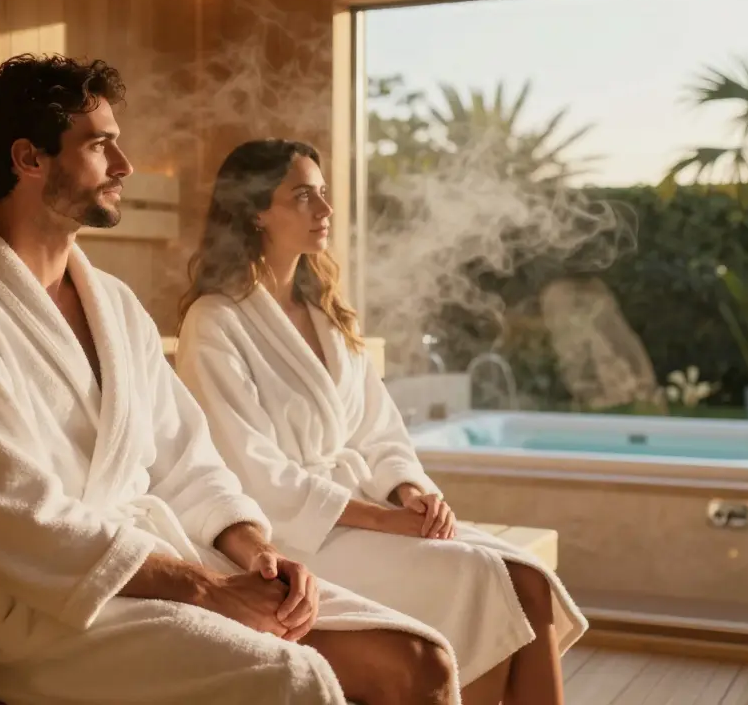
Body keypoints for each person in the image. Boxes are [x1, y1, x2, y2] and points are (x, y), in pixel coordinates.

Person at [0, 55, 464, 705]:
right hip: (49, 612)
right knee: (295, 677)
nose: (124, 165)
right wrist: (206, 588)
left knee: (421, 661)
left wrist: (255, 553)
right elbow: (19, 523)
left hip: (169, 562)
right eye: (100, 145)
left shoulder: (115, 306)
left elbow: (187, 460)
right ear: (29, 158)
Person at [173, 138, 590, 705]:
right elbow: (251, 470)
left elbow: (379, 430)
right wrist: (385, 520)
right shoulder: (216, 322)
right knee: (487, 581)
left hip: (365, 515)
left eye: (323, 193)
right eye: (303, 196)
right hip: (298, 536)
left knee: (531, 582)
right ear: (255, 211)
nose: (325, 209)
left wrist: (411, 493)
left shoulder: (325, 314)